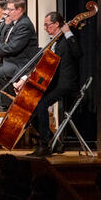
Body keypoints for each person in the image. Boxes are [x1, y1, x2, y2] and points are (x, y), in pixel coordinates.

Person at [20, 11, 81, 157]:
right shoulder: (53, 42)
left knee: (41, 103)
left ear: (56, 24)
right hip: (53, 82)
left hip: (65, 83)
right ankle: (56, 143)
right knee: (31, 109)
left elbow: (78, 53)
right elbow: (40, 65)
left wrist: (68, 33)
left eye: (47, 25)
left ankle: (45, 145)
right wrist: (24, 78)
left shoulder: (67, 39)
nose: (45, 28)